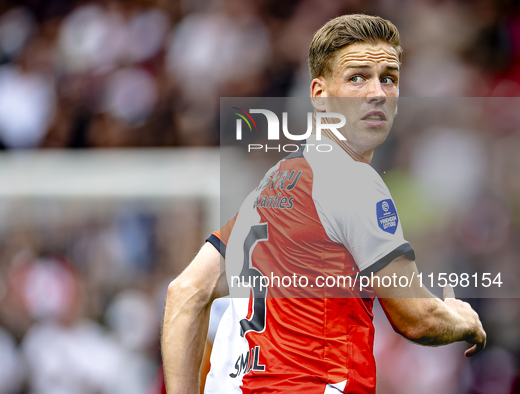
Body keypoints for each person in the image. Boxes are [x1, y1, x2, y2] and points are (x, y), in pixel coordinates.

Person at [162, 14, 486, 394]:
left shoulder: (271, 186)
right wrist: (464, 321)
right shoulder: (352, 180)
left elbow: (184, 292)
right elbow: (417, 318)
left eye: (389, 78)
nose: (378, 92)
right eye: (357, 78)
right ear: (318, 94)